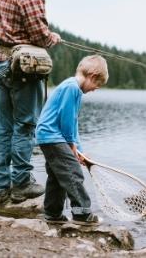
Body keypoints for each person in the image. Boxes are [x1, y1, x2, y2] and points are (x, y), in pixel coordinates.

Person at [0, 0, 61, 204]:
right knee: (25, 126)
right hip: (21, 69)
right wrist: (54, 38)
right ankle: (20, 184)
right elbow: (40, 36)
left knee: (1, 130)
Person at [35, 55, 109, 225]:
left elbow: (73, 123)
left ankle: (52, 215)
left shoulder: (73, 88)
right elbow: (66, 121)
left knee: (57, 176)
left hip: (50, 137)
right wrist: (71, 146)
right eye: (97, 85)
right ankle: (82, 214)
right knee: (73, 172)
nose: (95, 89)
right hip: (53, 136)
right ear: (92, 76)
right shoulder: (72, 88)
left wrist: (79, 150)